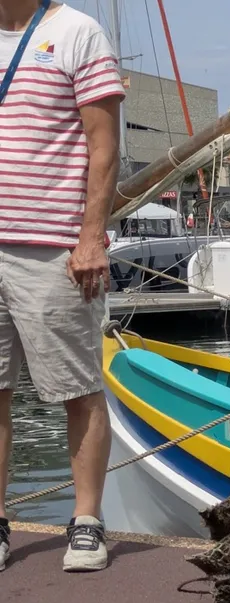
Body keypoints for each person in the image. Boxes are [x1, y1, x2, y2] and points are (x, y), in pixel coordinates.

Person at [0, 0, 126, 572]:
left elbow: (104, 147)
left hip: (53, 250)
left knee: (77, 386)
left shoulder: (78, 31)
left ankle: (87, 521)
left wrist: (91, 237)